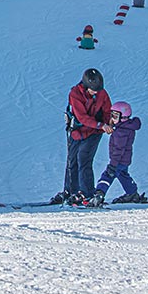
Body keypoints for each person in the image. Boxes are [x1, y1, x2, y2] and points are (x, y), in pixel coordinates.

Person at [54, 68, 112, 205]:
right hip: (78, 131)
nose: (96, 93)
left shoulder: (102, 94)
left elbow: (107, 110)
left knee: (84, 159)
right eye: (93, 90)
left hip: (94, 132)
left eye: (98, 90)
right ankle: (70, 191)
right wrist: (100, 125)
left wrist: (108, 123)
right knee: (72, 161)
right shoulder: (75, 94)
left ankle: (86, 193)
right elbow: (82, 117)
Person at [87, 101, 143, 205]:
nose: (113, 118)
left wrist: (113, 165)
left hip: (118, 160)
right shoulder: (126, 127)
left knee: (107, 175)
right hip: (124, 160)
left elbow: (118, 150)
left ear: (123, 117)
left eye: (116, 116)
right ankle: (132, 193)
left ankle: (99, 194)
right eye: (112, 115)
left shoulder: (121, 132)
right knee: (123, 175)